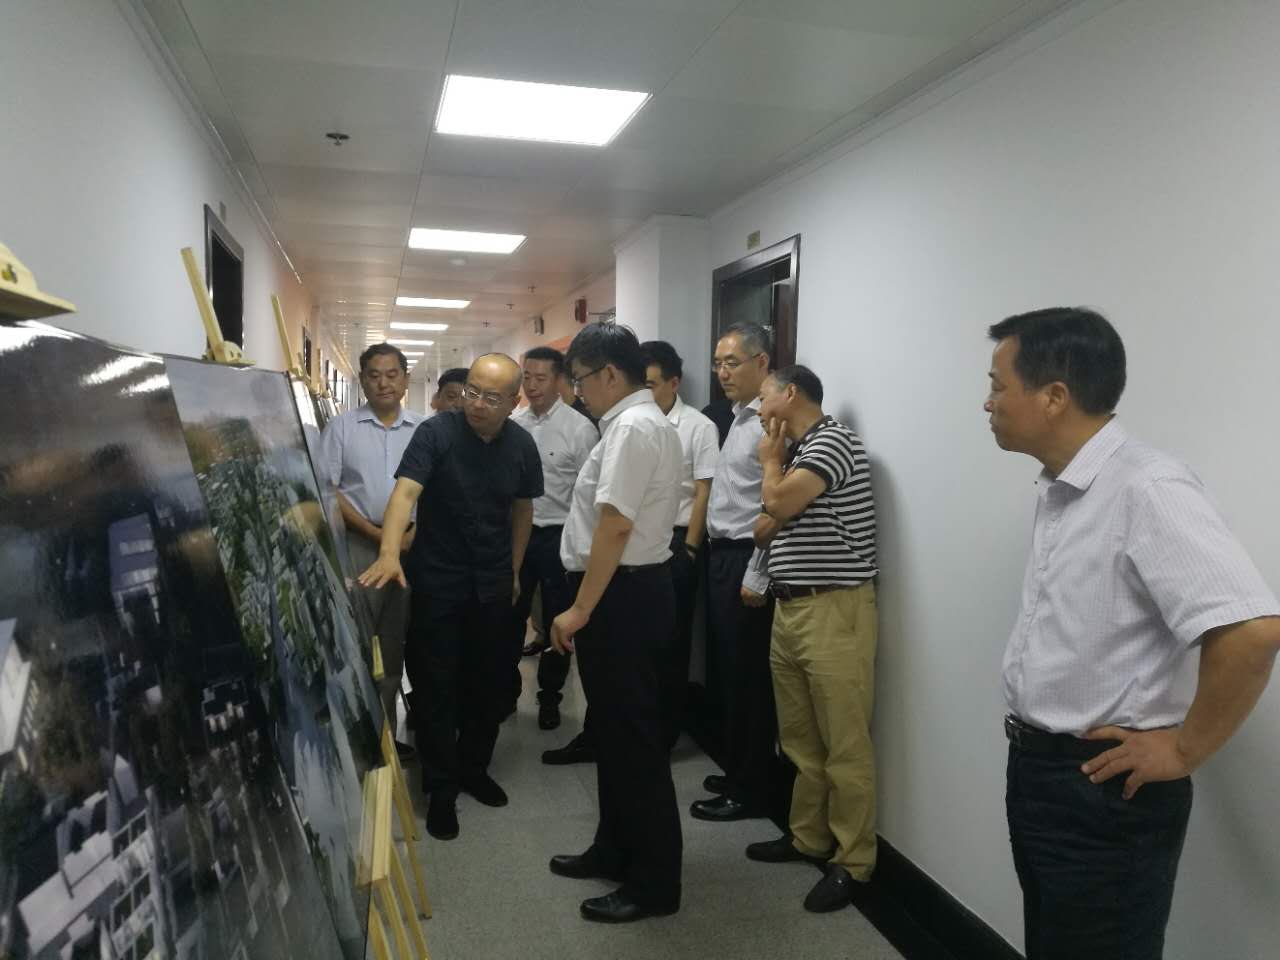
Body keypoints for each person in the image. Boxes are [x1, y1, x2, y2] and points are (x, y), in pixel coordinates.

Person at [984, 307, 1280, 959]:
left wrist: (1182, 751)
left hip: (1103, 794)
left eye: (998, 386)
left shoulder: (1147, 486)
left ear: (1054, 396)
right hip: (1041, 772)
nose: (988, 402)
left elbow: (1252, 630)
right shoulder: (1064, 487)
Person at [358, 354, 542, 841]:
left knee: (489, 683)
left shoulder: (522, 444)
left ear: (514, 402)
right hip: (439, 579)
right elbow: (404, 494)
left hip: (493, 582)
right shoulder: (436, 433)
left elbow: (522, 510)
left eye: (491, 397)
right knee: (436, 685)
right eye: (472, 391)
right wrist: (389, 552)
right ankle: (440, 787)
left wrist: (514, 569)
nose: (476, 403)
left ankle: (474, 769)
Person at [547, 323, 684, 923]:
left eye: (579, 380)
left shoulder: (632, 427)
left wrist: (580, 608)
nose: (577, 393)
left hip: (623, 595)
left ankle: (653, 884)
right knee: (615, 736)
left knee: (635, 745)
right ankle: (614, 849)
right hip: (627, 591)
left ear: (609, 373)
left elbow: (616, 526)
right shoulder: (637, 422)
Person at [745, 365, 880, 914]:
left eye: (764, 397)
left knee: (845, 744)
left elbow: (775, 508)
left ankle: (854, 861)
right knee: (800, 738)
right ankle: (808, 837)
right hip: (791, 606)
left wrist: (770, 466)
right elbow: (762, 527)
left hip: (834, 608)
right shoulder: (800, 453)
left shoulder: (831, 442)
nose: (759, 409)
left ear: (791, 393)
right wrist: (778, 489)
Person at [689, 321, 779, 822]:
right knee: (728, 672)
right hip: (721, 556)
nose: (722, 373)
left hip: (748, 558)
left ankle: (751, 789)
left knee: (748, 679)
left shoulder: (770, 423)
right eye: (717, 363)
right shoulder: (736, 418)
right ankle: (737, 769)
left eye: (732, 363)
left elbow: (774, 510)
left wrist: (757, 574)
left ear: (761, 363)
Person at [320, 343, 423, 761]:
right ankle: (359, 742)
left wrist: (407, 536)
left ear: (405, 379)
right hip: (360, 547)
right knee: (361, 645)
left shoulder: (423, 430)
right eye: (374, 375)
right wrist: (378, 535)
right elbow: (328, 490)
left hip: (413, 548)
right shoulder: (341, 429)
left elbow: (437, 491)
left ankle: (386, 739)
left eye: (392, 374)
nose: (384, 383)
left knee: (396, 646)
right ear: (362, 380)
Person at [509, 346, 598, 730]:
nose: (531, 385)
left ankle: (550, 695)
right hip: (519, 536)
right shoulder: (513, 423)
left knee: (559, 619)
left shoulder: (580, 429)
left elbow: (589, 494)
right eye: (526, 377)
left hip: (560, 536)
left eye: (540, 378)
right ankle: (507, 690)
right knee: (511, 615)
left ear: (559, 380)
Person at [641, 340, 719, 749]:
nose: (645, 392)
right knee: (641, 641)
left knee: (672, 643)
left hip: (676, 542)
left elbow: (704, 490)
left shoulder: (698, 426)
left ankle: (666, 734)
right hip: (638, 542)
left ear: (674, 383)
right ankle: (641, 727)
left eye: (651, 384)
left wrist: (689, 548)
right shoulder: (635, 423)